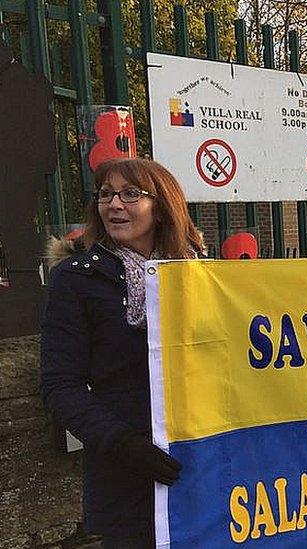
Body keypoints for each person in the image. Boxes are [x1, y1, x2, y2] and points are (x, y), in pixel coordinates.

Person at [40, 158, 203, 547]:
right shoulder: (76, 279)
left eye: (131, 194)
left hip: (199, 462)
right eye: (106, 194)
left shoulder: (198, 272)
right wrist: (123, 444)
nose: (115, 204)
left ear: (162, 206)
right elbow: (59, 385)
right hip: (127, 470)